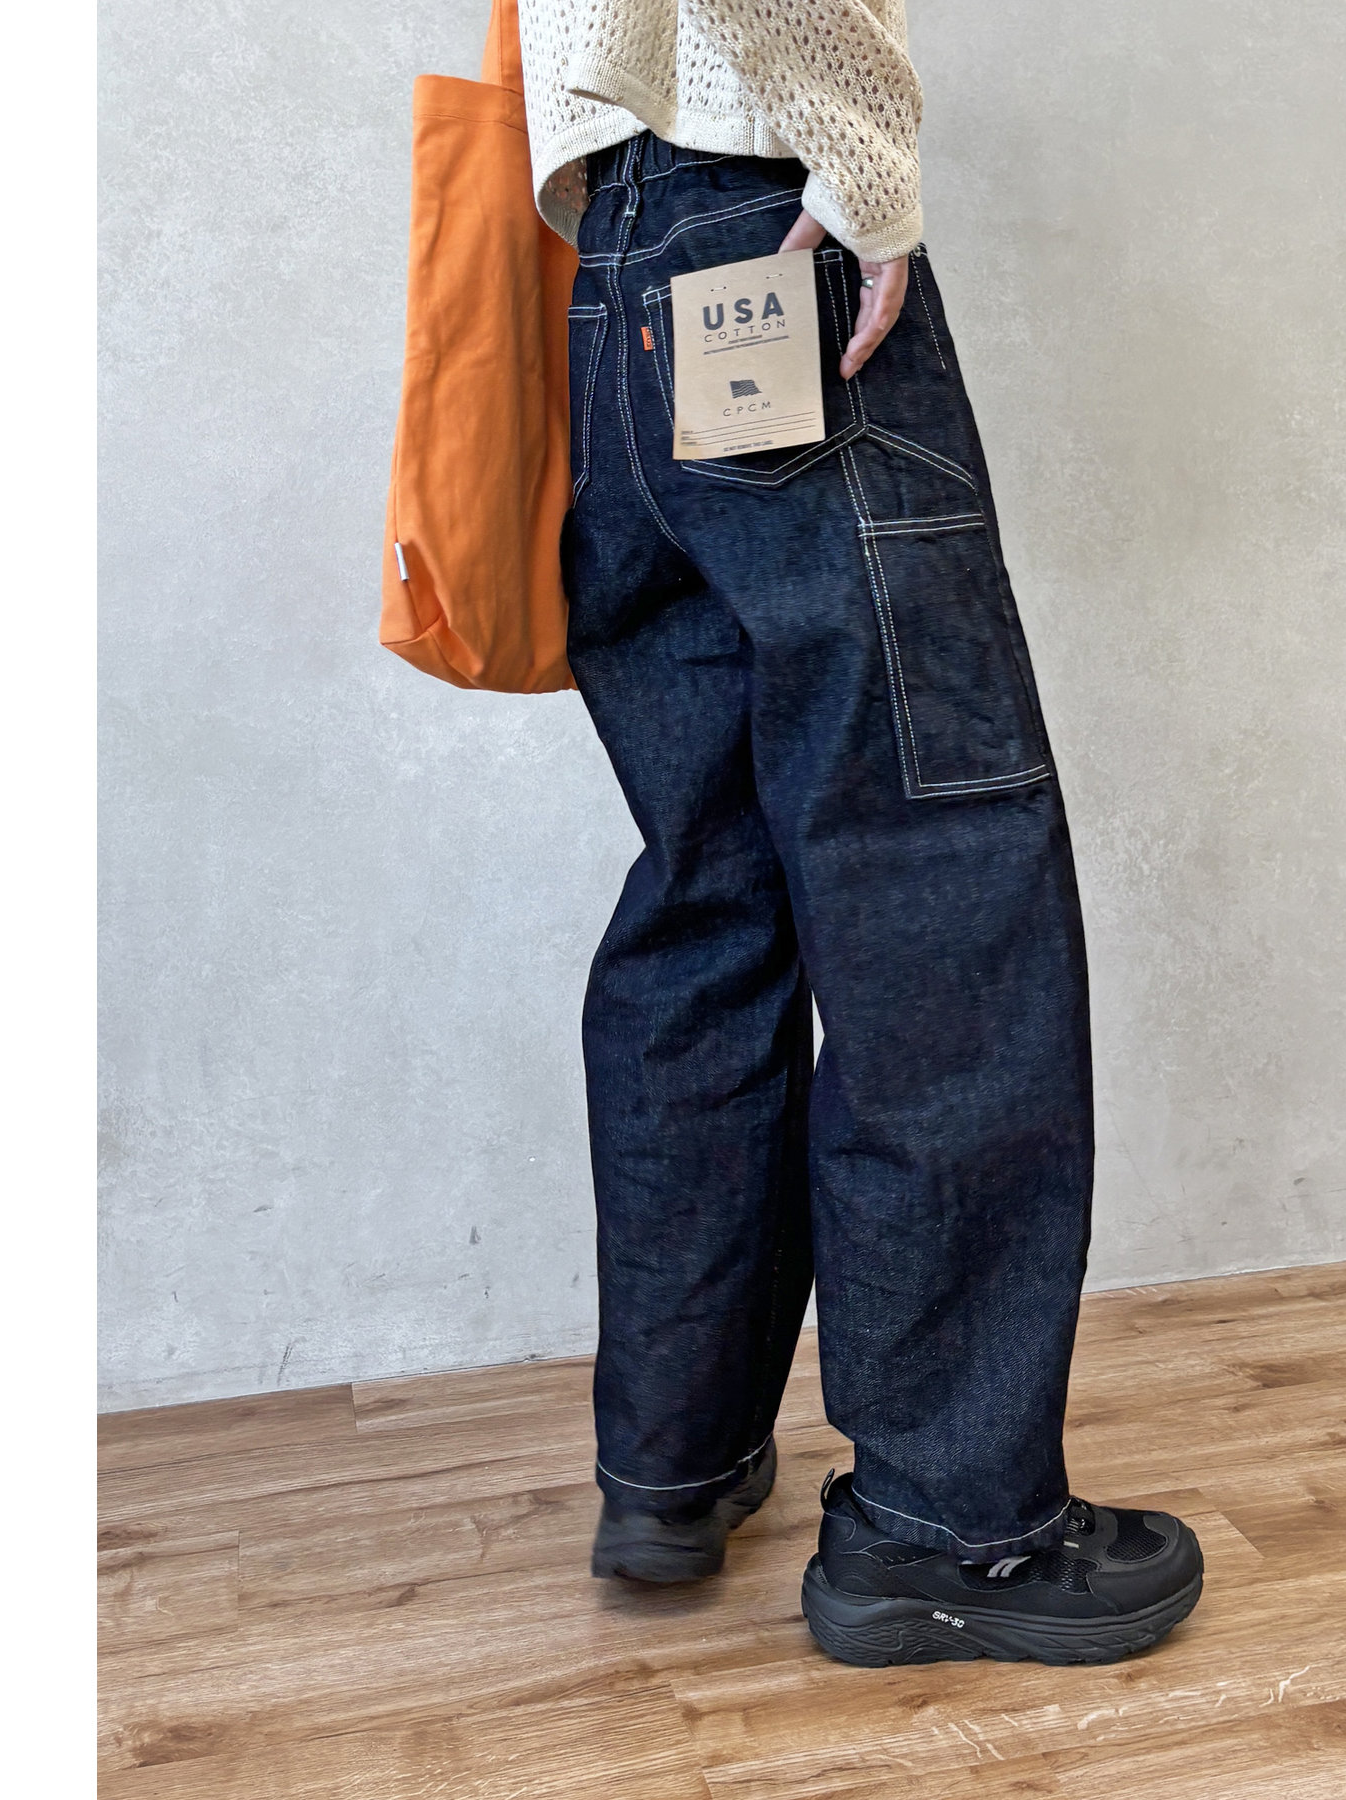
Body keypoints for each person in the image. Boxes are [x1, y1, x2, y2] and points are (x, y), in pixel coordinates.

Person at [517, 0, 1204, 1666]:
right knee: (937, 889)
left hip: (611, 272)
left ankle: (671, 1463)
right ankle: (948, 1525)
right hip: (771, 236)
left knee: (711, 884)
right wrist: (863, 168)